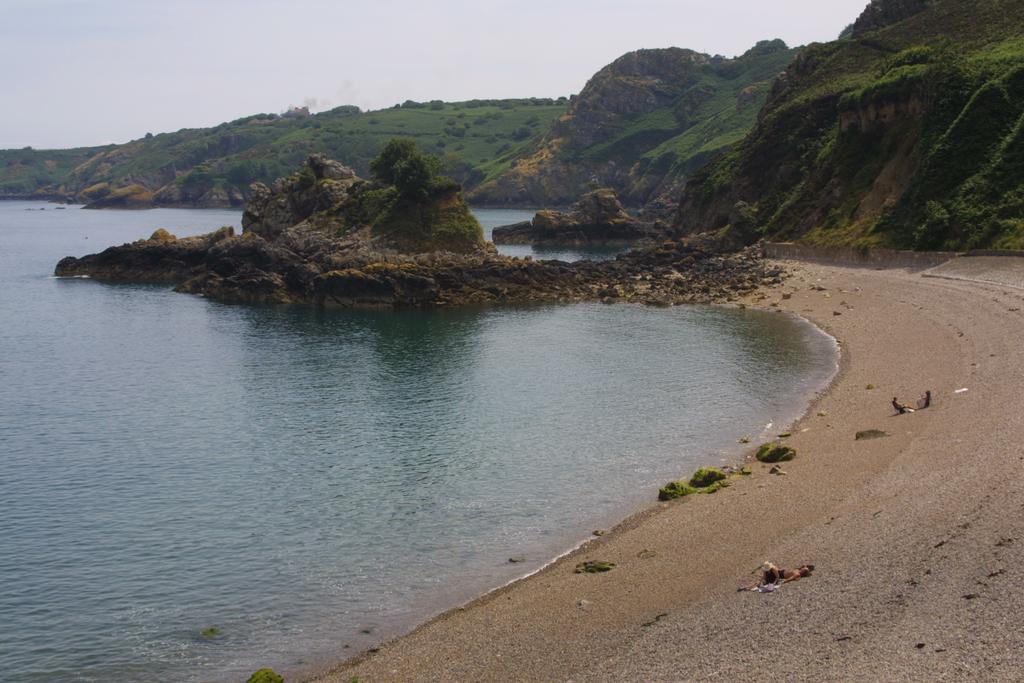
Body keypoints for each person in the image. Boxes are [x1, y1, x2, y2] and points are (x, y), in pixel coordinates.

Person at [739, 562, 815, 591]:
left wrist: (782, 582)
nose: (802, 568)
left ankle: (745, 587)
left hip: (780, 574)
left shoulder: (797, 574)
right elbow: (803, 566)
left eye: (803, 569)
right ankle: (762, 567)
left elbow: (790, 578)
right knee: (764, 574)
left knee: (761, 579)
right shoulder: (798, 570)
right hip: (780, 572)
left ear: (803, 571)